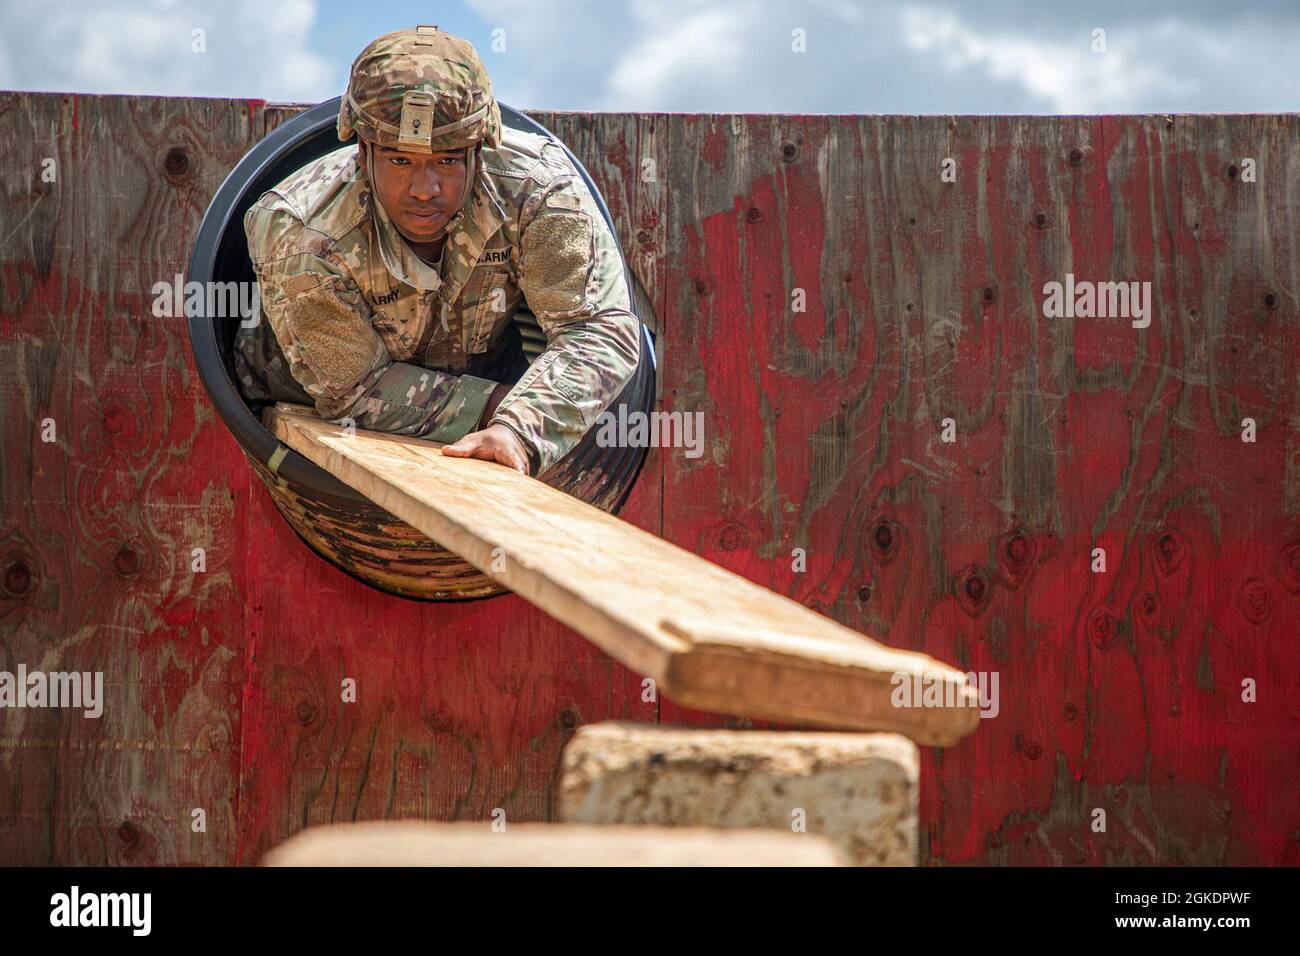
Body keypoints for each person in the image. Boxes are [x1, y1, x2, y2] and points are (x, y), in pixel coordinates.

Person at [234, 24, 640, 476]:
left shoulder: (537, 191)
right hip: (297, 399)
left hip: (487, 369)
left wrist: (519, 429)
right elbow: (353, 389)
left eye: (446, 161)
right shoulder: (302, 230)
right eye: (400, 161)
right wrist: (497, 405)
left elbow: (597, 329)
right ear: (363, 149)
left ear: (479, 149)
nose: (424, 190)